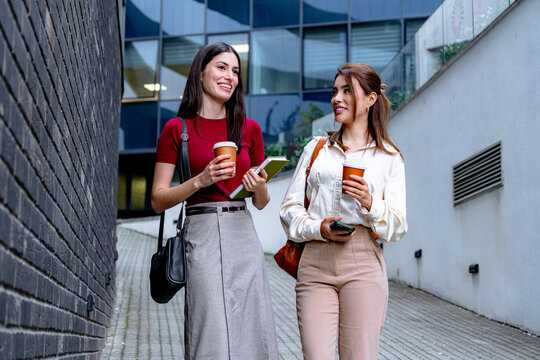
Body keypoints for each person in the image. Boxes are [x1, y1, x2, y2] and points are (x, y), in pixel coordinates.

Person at [151, 42, 278, 360]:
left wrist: (258, 186)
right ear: (201, 72)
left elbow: (261, 201)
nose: (230, 76)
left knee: (252, 325)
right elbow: (157, 199)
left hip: (242, 228)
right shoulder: (176, 129)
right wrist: (201, 180)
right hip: (201, 230)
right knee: (209, 328)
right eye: (222, 67)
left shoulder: (249, 129)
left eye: (236, 71)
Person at [280, 63, 407, 360]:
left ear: (371, 99)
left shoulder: (388, 157)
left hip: (363, 262)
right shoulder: (316, 149)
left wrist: (370, 202)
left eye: (347, 91)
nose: (337, 98)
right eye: (335, 91)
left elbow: (398, 226)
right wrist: (318, 228)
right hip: (314, 262)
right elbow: (289, 209)